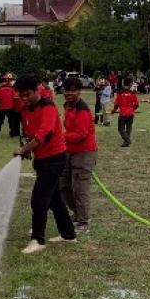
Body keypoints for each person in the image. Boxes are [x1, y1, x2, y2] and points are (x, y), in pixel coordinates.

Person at [12, 74, 77, 254]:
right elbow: (28, 132)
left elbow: (43, 134)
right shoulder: (25, 109)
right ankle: (68, 234)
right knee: (55, 199)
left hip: (54, 159)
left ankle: (38, 239)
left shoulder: (48, 107)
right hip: (41, 159)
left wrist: (25, 148)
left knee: (39, 199)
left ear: (36, 90)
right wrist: (27, 149)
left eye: (27, 94)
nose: (24, 98)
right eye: (21, 95)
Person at [59, 77, 98, 232]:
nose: (69, 93)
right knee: (63, 184)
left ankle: (83, 222)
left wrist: (60, 136)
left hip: (85, 153)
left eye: (73, 90)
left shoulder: (82, 109)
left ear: (79, 91)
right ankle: (76, 214)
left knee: (79, 188)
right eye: (67, 90)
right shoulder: (68, 106)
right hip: (70, 151)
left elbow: (81, 134)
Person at [112, 77, 140, 147]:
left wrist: (113, 111)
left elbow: (116, 105)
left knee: (121, 129)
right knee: (128, 128)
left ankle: (127, 140)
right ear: (130, 84)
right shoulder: (133, 93)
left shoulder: (120, 93)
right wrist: (132, 110)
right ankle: (126, 142)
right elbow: (136, 105)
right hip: (131, 114)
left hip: (123, 114)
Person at [0, 73, 20, 138]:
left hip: (2, 108)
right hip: (10, 108)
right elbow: (14, 98)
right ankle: (12, 133)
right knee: (11, 121)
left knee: (0, 121)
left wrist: (2, 103)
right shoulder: (11, 89)